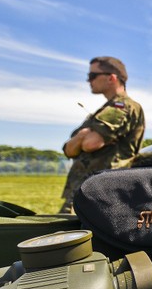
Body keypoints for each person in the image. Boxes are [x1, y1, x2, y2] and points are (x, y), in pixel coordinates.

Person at [59, 56, 145, 214]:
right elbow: (69, 150)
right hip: (83, 192)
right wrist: (83, 136)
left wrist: (83, 134)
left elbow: (91, 143)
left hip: (101, 196)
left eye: (92, 76)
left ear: (111, 78)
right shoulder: (104, 110)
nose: (88, 80)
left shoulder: (123, 106)